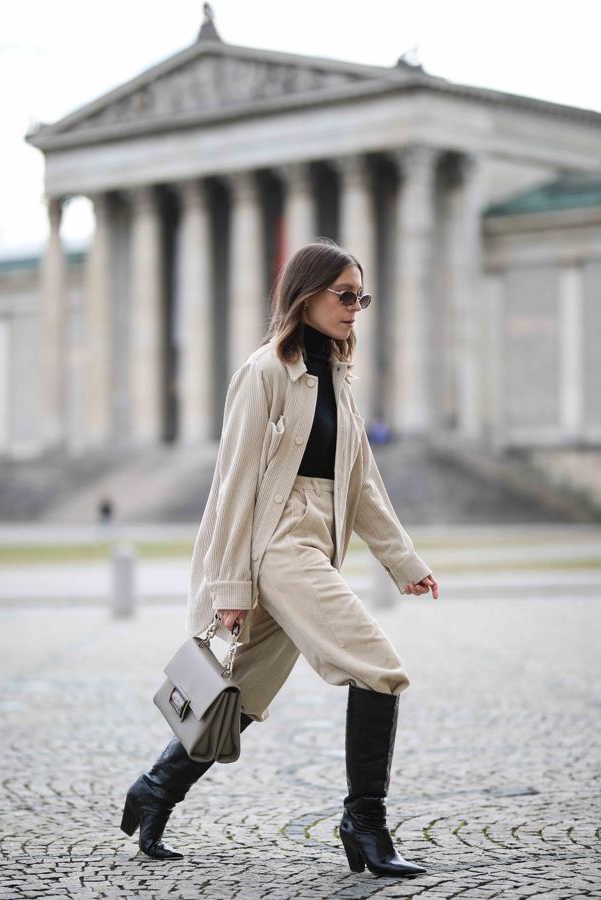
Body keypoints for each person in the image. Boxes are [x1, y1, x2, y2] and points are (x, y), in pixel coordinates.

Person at [121, 238, 440, 877]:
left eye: (361, 297)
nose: (356, 308)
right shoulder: (266, 371)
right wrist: (230, 585)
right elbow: (234, 482)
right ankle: (365, 826)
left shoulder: (337, 378)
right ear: (306, 296)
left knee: (238, 694)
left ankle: (156, 789)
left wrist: (404, 562)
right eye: (344, 296)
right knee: (379, 668)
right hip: (279, 544)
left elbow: (363, 480)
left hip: (315, 542)